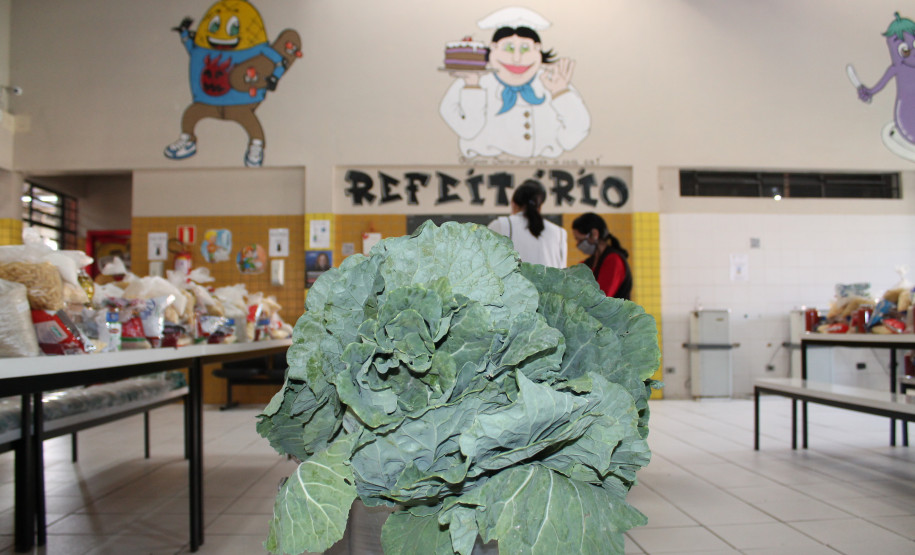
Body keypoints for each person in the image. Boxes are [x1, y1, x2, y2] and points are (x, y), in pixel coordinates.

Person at [439, 7, 590, 158]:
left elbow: (573, 138)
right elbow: (467, 131)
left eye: (525, 49)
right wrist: (472, 87)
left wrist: (561, 93)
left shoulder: (553, 80)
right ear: (493, 48)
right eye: (509, 48)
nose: (517, 59)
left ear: (538, 49)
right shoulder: (472, 79)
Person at [488, 183, 567, 268]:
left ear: (513, 203)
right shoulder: (560, 232)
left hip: (514, 281)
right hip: (551, 281)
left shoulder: (500, 225)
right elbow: (562, 269)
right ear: (539, 207)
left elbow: (486, 264)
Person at [572, 213, 632, 300]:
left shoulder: (613, 260)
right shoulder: (587, 264)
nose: (577, 244)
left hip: (615, 313)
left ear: (594, 234)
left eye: (580, 239)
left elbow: (603, 297)